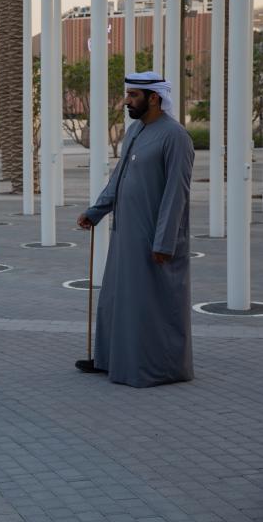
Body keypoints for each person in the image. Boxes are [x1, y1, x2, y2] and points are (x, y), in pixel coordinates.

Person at [76, 71, 195, 388]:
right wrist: (96, 212)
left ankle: (158, 368)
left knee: (150, 303)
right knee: (118, 299)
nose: (126, 101)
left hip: (153, 238)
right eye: (127, 94)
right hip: (125, 234)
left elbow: (176, 194)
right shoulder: (135, 131)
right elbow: (119, 178)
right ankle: (112, 360)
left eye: (133, 95)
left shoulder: (175, 137)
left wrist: (164, 243)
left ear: (154, 98)